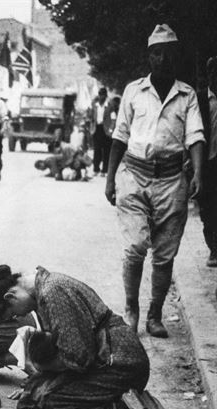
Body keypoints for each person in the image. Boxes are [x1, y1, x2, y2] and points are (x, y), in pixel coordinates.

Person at [105, 24, 205, 338]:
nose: (163, 59)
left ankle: (155, 314)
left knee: (164, 253)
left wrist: (199, 172)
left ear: (176, 57)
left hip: (172, 179)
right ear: (149, 57)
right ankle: (132, 308)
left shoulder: (186, 94)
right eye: (157, 53)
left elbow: (196, 136)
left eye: (169, 53)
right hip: (134, 175)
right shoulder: (134, 91)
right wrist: (110, 179)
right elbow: (119, 136)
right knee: (135, 247)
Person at [0, 264, 150, 409]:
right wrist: (35, 382)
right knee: (37, 390)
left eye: (13, 314)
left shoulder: (52, 292)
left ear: (10, 297)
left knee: (46, 398)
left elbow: (78, 358)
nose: (18, 317)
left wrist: (41, 379)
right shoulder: (45, 289)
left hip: (122, 366)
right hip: (113, 357)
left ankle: (123, 406)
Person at [197, 56, 217, 267]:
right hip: (206, 163)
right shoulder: (200, 99)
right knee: (207, 209)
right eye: (213, 73)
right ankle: (212, 247)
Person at [89, 88, 113, 176]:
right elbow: (91, 117)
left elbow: (113, 118)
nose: (101, 97)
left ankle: (104, 170)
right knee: (97, 150)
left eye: (103, 95)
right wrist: (91, 128)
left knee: (106, 151)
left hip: (106, 130)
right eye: (100, 95)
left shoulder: (110, 106)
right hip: (97, 129)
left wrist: (111, 129)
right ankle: (96, 169)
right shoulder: (95, 105)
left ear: (106, 96)